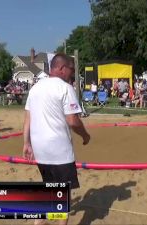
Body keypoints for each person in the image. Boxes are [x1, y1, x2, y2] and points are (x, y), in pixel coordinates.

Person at [22, 53, 90, 225]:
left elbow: (27, 118)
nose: (72, 73)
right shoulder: (65, 88)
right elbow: (73, 121)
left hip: (40, 150)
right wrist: (85, 135)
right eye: (71, 69)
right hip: (59, 151)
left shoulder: (35, 88)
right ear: (61, 68)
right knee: (62, 198)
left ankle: (41, 221)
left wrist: (26, 143)